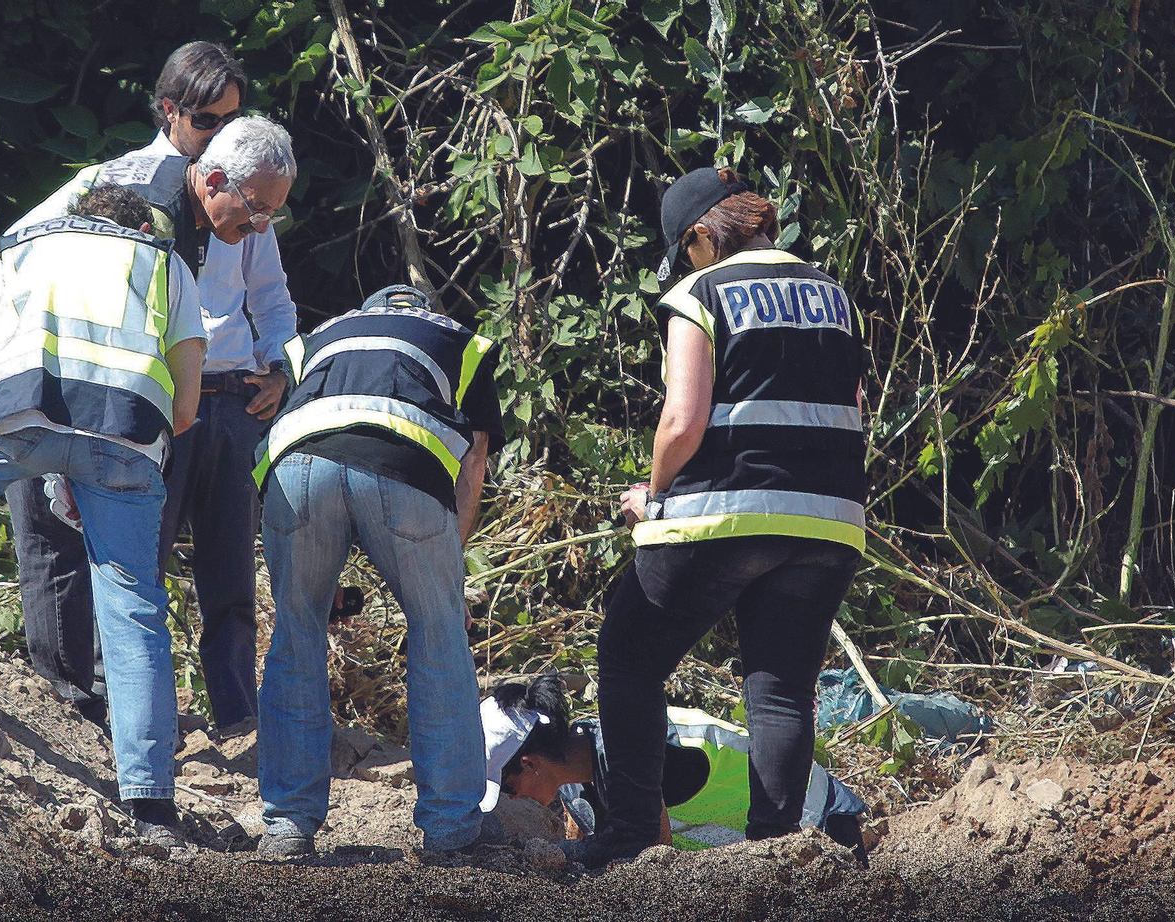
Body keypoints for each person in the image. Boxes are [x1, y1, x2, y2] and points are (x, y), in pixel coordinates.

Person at [0, 45, 297, 732]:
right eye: (206, 120)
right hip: (118, 397)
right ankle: (94, 714)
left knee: (218, 575)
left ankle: (211, 722)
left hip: (212, 400)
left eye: (233, 117)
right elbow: (19, 248)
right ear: (171, 112)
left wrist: (276, 369)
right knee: (110, 563)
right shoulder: (125, 187)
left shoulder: (243, 200)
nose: (218, 130)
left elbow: (271, 296)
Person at [0, 186, 208, 847]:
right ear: (139, 225)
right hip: (130, 439)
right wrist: (99, 464)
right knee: (132, 599)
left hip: (24, 410)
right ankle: (151, 804)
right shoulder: (167, 263)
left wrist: (49, 454)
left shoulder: (27, 243)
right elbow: (189, 405)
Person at [567, 167, 869, 868]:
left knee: (629, 661)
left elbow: (681, 420)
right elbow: (853, 404)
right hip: (829, 519)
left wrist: (657, 493)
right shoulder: (835, 294)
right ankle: (774, 853)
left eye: (687, 248)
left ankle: (633, 838)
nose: (687, 262)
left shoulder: (702, 292)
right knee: (782, 690)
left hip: (726, 511)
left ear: (703, 235)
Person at [250, 284, 504, 857]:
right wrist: (449, 578)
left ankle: (288, 826)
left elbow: (315, 431)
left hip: (296, 467)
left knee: (296, 634)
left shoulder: (315, 340)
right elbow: (475, 455)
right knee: (439, 636)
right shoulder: (460, 341)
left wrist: (322, 574)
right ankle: (451, 827)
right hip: (404, 464)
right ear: (426, 314)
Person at [481, 677, 868, 861]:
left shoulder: (631, 757)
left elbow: (654, 859)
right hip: (765, 849)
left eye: (508, 787)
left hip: (822, 832)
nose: (513, 798)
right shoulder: (577, 773)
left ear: (530, 764)